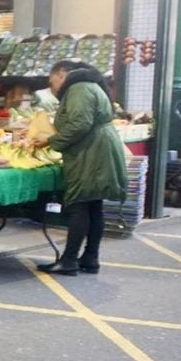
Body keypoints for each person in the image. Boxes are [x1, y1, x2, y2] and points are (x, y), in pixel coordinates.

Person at [33, 60, 127, 275]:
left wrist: (51, 140)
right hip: (98, 149)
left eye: (52, 80)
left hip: (91, 152)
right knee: (94, 205)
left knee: (79, 204)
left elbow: (79, 123)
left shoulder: (78, 88)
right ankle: (90, 258)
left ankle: (69, 260)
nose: (52, 86)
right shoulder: (88, 85)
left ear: (62, 74)